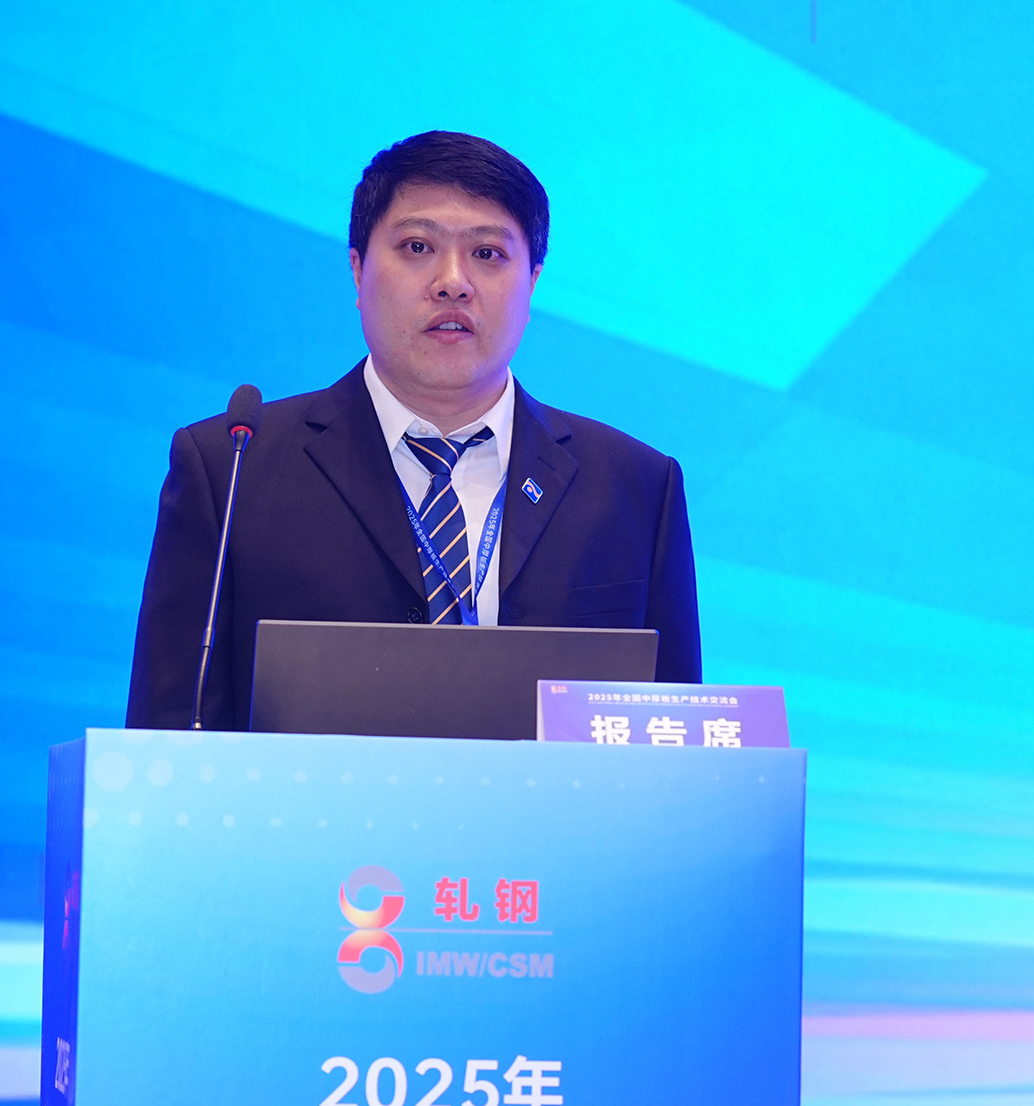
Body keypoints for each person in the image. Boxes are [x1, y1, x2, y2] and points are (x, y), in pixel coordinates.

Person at [126, 130, 701, 730]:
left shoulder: (635, 487)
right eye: (418, 246)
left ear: (532, 282)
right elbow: (168, 734)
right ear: (357, 270)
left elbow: (682, 745)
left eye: (488, 254)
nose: (453, 281)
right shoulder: (232, 468)